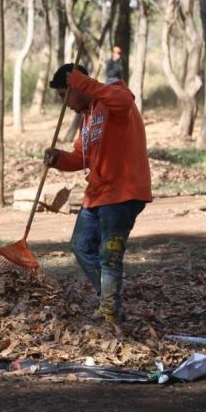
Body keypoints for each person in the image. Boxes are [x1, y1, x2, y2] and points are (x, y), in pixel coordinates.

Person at [43, 63, 152, 325]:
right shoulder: (87, 118)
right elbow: (82, 157)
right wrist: (58, 158)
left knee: (109, 256)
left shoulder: (115, 98)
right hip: (98, 194)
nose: (64, 104)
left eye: (63, 96)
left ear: (78, 86)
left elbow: (122, 99)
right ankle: (108, 302)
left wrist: (81, 81)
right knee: (81, 247)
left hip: (124, 193)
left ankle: (111, 315)